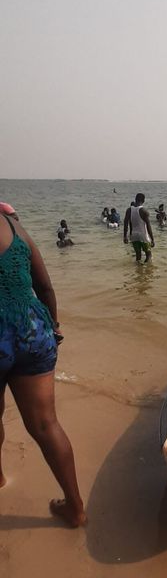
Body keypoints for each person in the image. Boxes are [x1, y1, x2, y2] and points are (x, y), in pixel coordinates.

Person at [0, 211, 86, 526]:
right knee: (47, 424)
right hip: (32, 330)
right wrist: (54, 326)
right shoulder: (14, 226)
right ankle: (76, 509)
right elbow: (45, 287)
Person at [123, 193, 155, 262]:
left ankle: (138, 270)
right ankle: (146, 268)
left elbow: (125, 223)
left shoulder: (129, 210)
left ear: (135, 199)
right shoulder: (144, 211)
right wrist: (152, 239)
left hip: (134, 235)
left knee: (138, 255)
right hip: (143, 236)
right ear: (143, 200)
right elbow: (148, 226)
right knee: (148, 255)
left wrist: (125, 236)